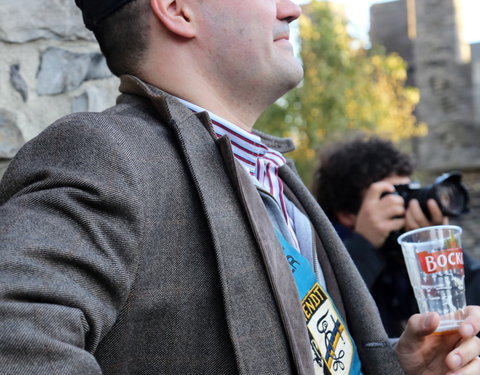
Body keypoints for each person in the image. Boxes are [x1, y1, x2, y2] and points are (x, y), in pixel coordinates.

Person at [0, 1, 479, 374]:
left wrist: (399, 368)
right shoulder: (103, 152)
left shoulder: (273, 175)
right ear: (177, 9)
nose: (292, 9)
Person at [313, 136, 480, 337]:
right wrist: (363, 245)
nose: (408, 206)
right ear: (347, 215)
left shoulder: (406, 258)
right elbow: (326, 322)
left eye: (410, 191)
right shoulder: (321, 259)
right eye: (394, 196)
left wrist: (441, 250)